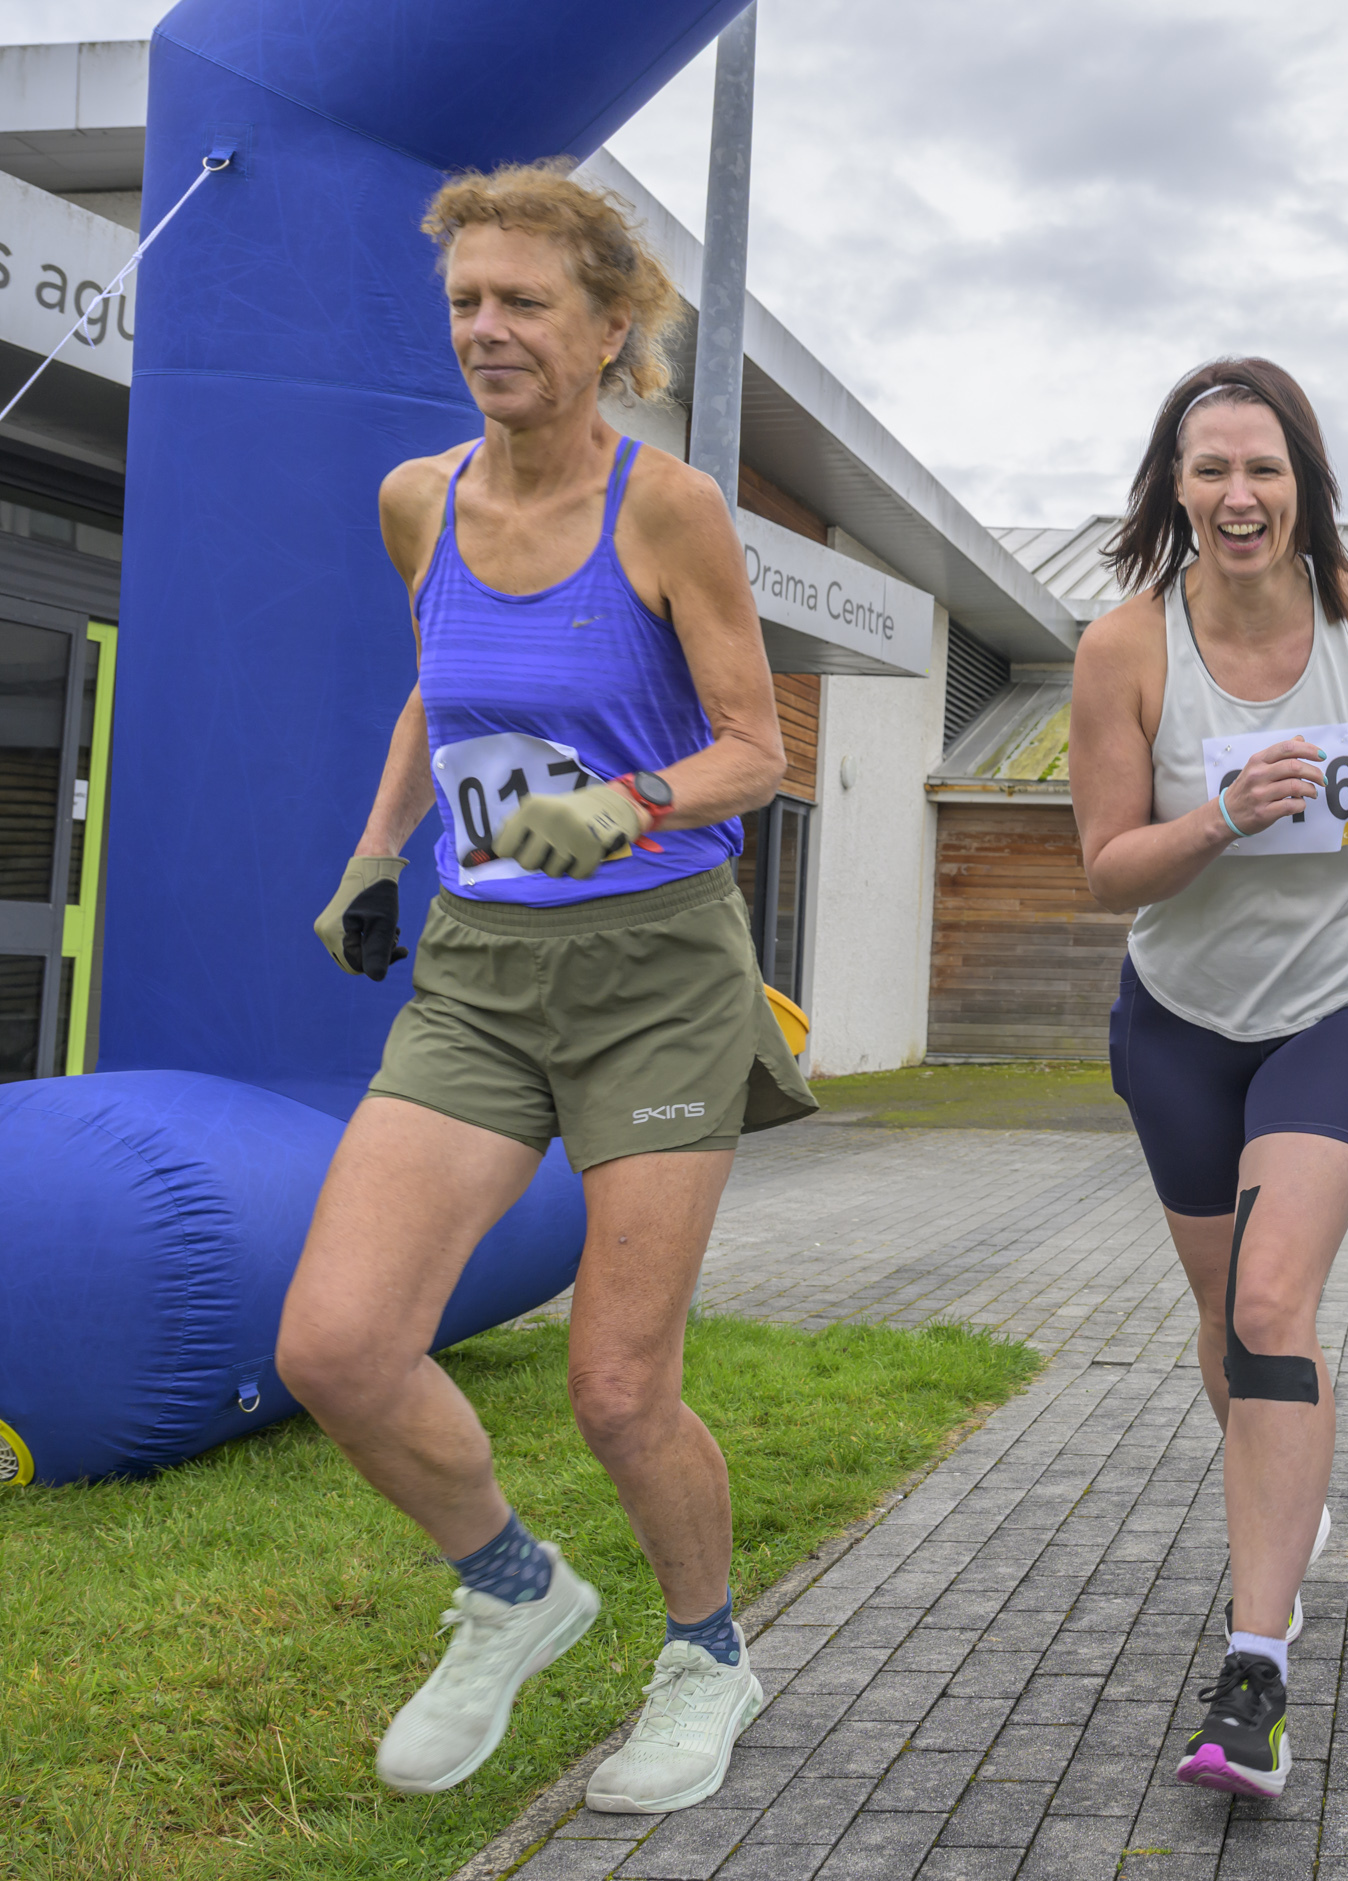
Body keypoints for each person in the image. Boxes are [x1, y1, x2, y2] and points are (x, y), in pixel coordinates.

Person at [280, 162, 816, 1814]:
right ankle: (516, 1589)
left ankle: (706, 1654)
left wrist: (626, 801)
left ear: (607, 327)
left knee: (614, 1381)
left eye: (524, 302)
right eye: (467, 303)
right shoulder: (418, 499)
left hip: (656, 972)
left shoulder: (665, 510)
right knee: (339, 1343)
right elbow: (436, 695)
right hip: (481, 970)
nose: (488, 330)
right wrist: (377, 851)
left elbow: (758, 749)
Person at [1069, 358, 1348, 1800]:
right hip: (1182, 1019)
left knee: (1271, 1301)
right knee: (1224, 1315)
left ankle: (1256, 1660)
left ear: (1306, 480)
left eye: (1265, 468)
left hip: (1338, 1003)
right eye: (1211, 471)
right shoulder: (1124, 647)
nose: (1240, 495)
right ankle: (1282, 1493)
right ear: (1174, 488)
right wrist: (1214, 818)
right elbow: (1104, 866)